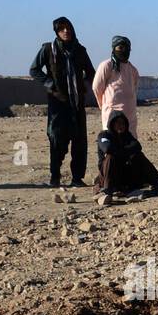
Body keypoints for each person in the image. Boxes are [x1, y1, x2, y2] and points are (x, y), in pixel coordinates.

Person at [29, 16, 96, 188]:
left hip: (77, 102)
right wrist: (49, 83)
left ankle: (77, 178)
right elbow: (34, 69)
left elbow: (90, 72)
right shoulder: (48, 49)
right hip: (57, 103)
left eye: (68, 28)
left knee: (79, 140)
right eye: (61, 29)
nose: (66, 31)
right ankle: (55, 176)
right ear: (57, 32)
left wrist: (83, 85)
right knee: (57, 139)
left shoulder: (80, 50)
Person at [93, 111, 158, 204]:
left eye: (123, 123)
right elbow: (107, 148)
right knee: (110, 157)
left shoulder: (127, 135)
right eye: (117, 123)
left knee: (138, 155)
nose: (120, 125)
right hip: (108, 175)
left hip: (124, 174)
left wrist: (119, 151)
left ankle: (157, 182)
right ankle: (107, 190)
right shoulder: (104, 135)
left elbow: (137, 146)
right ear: (112, 124)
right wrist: (124, 152)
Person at [91, 35, 139, 138]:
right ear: (114, 49)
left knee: (130, 146)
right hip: (112, 114)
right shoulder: (106, 65)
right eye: (120, 48)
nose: (124, 50)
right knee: (112, 145)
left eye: (126, 48)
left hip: (130, 116)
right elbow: (96, 88)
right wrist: (103, 105)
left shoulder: (133, 70)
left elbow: (134, 89)